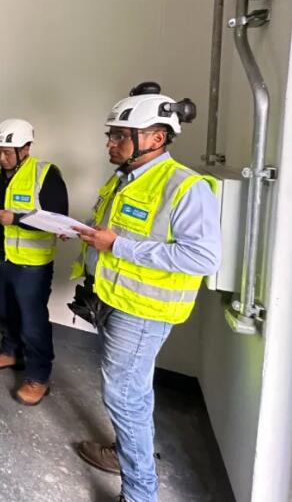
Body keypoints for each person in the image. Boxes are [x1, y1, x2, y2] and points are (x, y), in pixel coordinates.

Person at [70, 82, 221, 502]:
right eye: (111, 134)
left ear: (155, 138)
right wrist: (86, 234)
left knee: (124, 396)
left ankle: (140, 493)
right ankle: (124, 452)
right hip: (113, 299)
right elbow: (117, 232)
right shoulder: (126, 179)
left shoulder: (185, 186)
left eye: (120, 135)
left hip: (143, 311)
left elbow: (203, 257)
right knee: (132, 393)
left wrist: (116, 245)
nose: (110, 143)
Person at [0, 118, 69, 406]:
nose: (1, 158)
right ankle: (10, 352)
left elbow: (58, 220)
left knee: (32, 321)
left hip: (31, 264)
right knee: (5, 310)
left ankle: (38, 377)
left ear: (25, 148)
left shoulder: (45, 174)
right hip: (1, 255)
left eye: (7, 152)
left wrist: (15, 219)